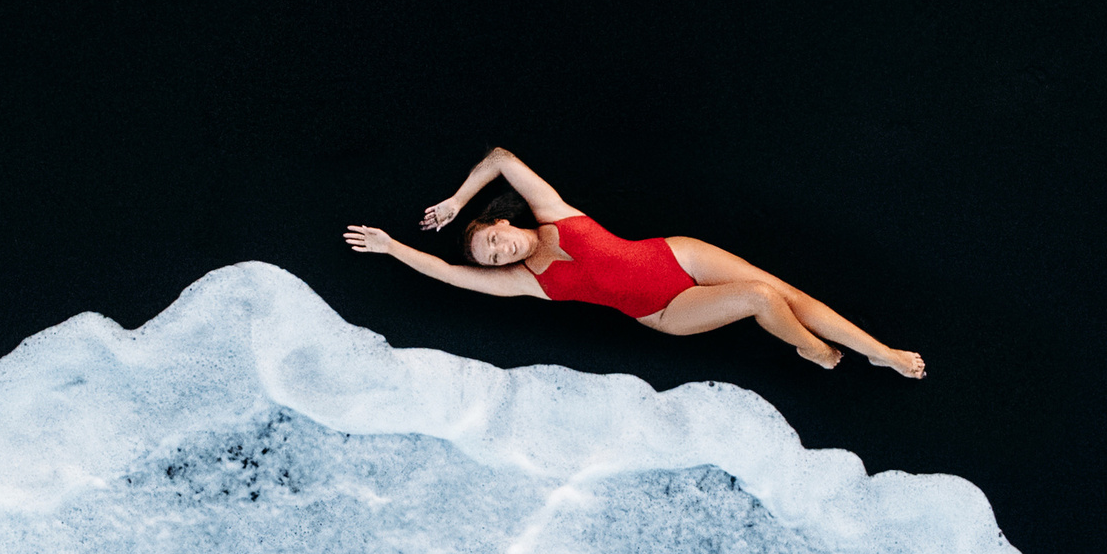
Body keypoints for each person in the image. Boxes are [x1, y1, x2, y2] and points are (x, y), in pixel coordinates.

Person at [343, 146, 926, 377]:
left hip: (678, 253)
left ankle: (882, 354)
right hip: (666, 307)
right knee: (759, 299)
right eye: (492, 260)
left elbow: (500, 157)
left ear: (503, 222)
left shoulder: (553, 213)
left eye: (495, 240)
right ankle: (816, 349)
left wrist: (453, 202)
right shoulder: (528, 283)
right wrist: (393, 246)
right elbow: (446, 272)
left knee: (786, 289)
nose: (501, 252)